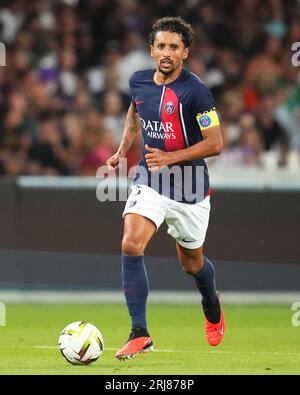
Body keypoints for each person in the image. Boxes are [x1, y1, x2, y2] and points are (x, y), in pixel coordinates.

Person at [106, 16, 225, 360]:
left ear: (185, 52)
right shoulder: (139, 82)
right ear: (152, 50)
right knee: (131, 242)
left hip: (190, 190)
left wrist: (173, 158)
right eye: (161, 46)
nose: (167, 52)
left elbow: (215, 143)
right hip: (152, 179)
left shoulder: (197, 91)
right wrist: (121, 150)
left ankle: (210, 301)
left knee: (192, 264)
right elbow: (135, 113)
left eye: (174, 46)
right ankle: (139, 332)